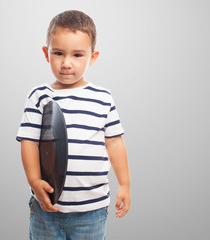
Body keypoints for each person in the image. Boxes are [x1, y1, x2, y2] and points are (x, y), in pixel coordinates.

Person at [17, 10, 130, 240]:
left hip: (92, 211)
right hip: (45, 207)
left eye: (77, 55)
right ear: (46, 54)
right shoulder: (39, 96)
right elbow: (28, 142)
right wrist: (33, 180)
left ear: (93, 56)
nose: (66, 63)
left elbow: (115, 143)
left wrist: (125, 184)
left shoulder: (103, 98)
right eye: (58, 53)